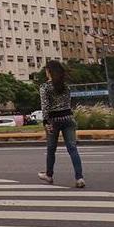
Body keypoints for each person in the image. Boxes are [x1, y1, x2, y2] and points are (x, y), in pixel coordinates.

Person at [37, 60, 85, 188]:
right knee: (72, 148)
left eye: (46, 70)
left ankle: (49, 175)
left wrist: (46, 122)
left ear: (49, 71)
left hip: (53, 120)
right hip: (68, 118)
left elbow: (45, 106)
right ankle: (79, 178)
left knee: (51, 149)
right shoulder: (66, 86)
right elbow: (68, 103)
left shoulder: (45, 87)